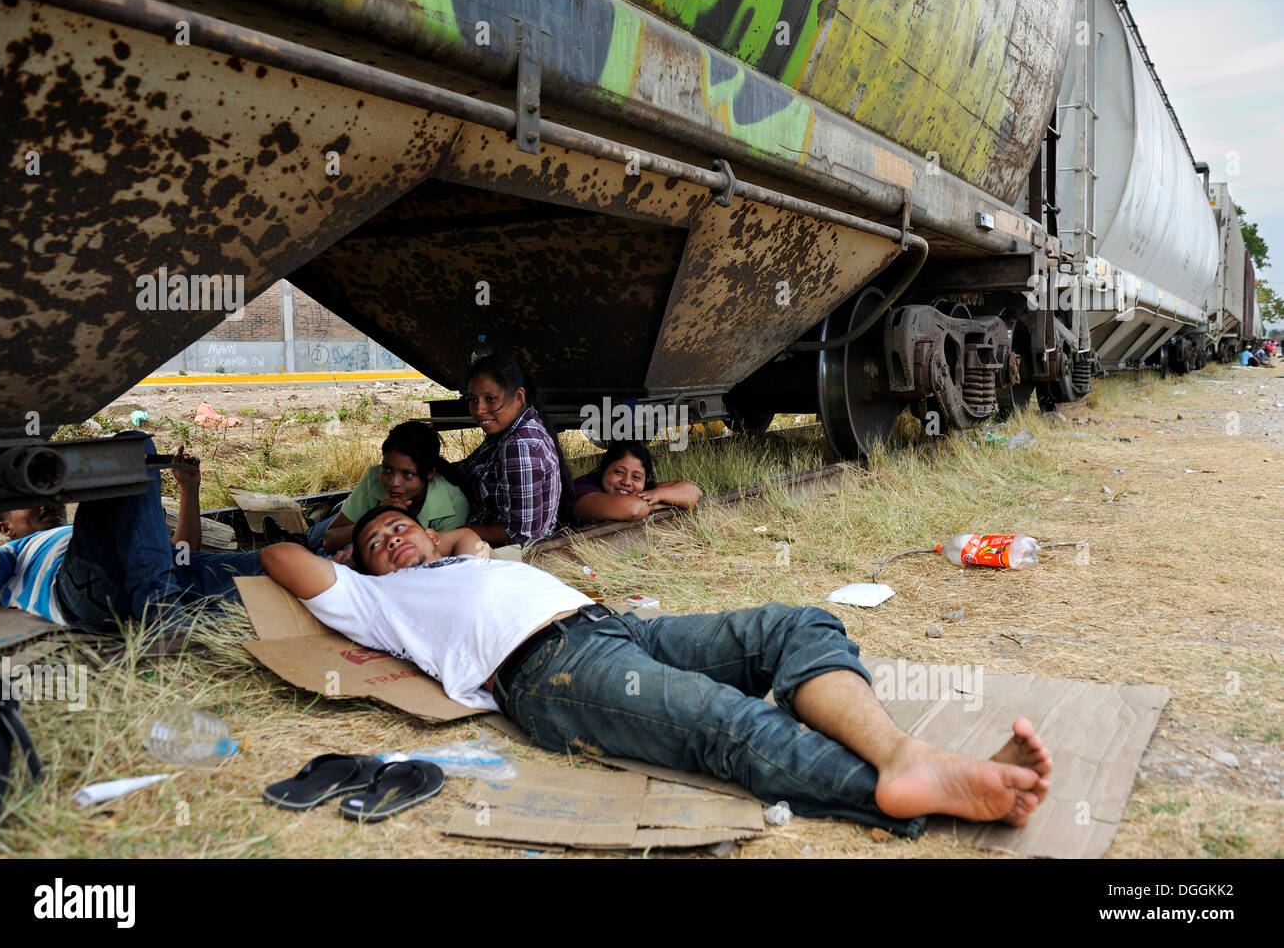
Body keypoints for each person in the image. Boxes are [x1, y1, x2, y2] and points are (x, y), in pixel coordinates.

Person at [259, 506, 1053, 835]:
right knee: (725, 722)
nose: (394, 539)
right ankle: (906, 786)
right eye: (378, 542)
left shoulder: (465, 558)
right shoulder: (377, 600)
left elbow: (470, 536)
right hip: (548, 672)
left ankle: (901, 754)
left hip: (619, 629)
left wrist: (453, 539)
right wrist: (341, 545)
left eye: (402, 527)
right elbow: (277, 555)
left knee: (795, 623)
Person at [0, 432, 264, 631]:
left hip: (164, 582)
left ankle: (164, 607)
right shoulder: (12, 557)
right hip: (84, 592)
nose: (45, 502)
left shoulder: (75, 532)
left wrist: (188, 488)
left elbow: (179, 554)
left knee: (270, 566)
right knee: (132, 444)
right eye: (30, 501)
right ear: (5, 527)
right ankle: (163, 616)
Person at [268, 420, 470, 555]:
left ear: (429, 474)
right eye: (388, 469)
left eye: (407, 474)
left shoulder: (452, 507)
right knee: (320, 535)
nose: (393, 482)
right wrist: (375, 515)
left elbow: (432, 562)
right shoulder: (375, 478)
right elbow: (330, 539)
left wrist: (378, 522)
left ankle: (299, 546)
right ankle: (299, 541)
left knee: (334, 552)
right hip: (347, 529)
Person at [457, 353, 569, 546]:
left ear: (518, 397)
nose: (478, 409)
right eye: (473, 399)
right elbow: (465, 469)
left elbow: (522, 537)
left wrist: (463, 533)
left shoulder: (520, 446)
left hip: (513, 555)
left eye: (490, 399)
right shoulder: (508, 430)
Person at [570, 442, 702, 524]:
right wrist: (661, 502)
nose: (627, 482)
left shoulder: (643, 491)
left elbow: (693, 492)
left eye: (636, 477)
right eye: (619, 472)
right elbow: (633, 509)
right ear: (603, 470)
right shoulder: (583, 489)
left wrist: (659, 494)